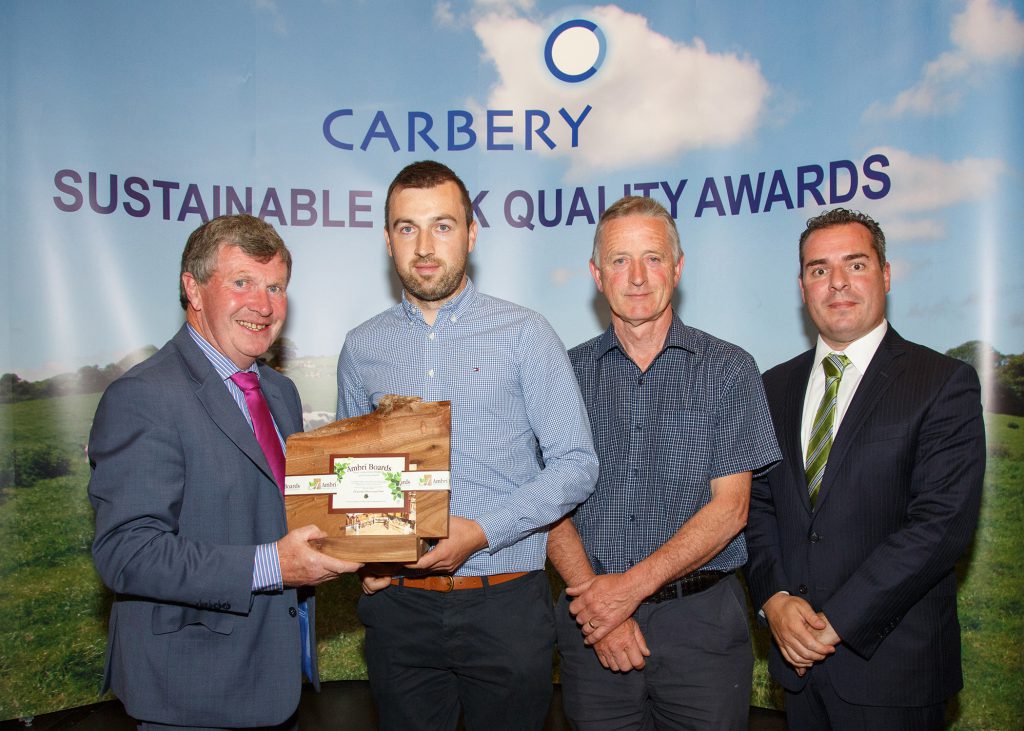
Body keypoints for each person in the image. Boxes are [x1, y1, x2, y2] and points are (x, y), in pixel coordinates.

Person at [337, 160, 598, 730]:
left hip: (503, 604)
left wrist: (481, 531)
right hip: (399, 609)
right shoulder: (362, 348)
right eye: (407, 228)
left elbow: (576, 465)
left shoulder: (524, 333)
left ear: (471, 234)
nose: (425, 246)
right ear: (387, 241)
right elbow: (354, 478)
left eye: (443, 225)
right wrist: (368, 556)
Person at [89, 214, 360, 730]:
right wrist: (273, 567)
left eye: (276, 286)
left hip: (275, 680)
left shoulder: (279, 394)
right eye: (242, 283)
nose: (263, 305)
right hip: (191, 693)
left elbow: (284, 512)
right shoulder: (144, 396)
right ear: (193, 288)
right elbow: (128, 552)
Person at [744, 208, 986, 730]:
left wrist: (837, 623)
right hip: (799, 670)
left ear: (886, 274)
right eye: (818, 269)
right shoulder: (772, 388)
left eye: (855, 265)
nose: (837, 284)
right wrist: (775, 598)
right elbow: (758, 505)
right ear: (802, 285)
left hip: (894, 672)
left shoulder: (943, 382)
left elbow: (941, 525)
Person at [547, 196, 781, 730]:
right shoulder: (565, 374)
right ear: (596, 274)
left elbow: (732, 509)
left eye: (652, 258)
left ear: (677, 268)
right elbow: (549, 505)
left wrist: (626, 592)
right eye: (619, 260)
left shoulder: (728, 369)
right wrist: (603, 615)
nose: (636, 277)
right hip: (592, 623)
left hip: (700, 625)